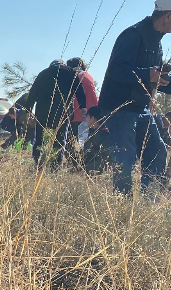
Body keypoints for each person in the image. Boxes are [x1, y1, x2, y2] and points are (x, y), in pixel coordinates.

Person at [98, 1, 171, 195]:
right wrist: (149, 74)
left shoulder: (158, 43)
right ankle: (122, 206)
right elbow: (117, 71)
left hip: (141, 109)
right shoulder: (132, 34)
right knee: (125, 158)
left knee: (158, 151)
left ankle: (149, 201)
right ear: (168, 16)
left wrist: (159, 79)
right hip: (119, 108)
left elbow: (156, 77)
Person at [22, 60, 87, 169]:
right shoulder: (71, 72)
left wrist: (28, 110)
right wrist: (82, 106)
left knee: (39, 139)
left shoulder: (43, 73)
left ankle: (38, 163)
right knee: (60, 139)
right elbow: (79, 90)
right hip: (63, 112)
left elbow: (33, 93)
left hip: (43, 112)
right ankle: (56, 165)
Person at [66, 57, 99, 147]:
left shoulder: (72, 76)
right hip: (91, 115)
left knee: (73, 144)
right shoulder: (88, 76)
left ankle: (75, 160)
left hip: (76, 113)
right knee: (87, 144)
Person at [80, 106, 114, 175]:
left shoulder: (98, 136)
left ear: (92, 118)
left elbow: (88, 155)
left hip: (98, 169)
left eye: (87, 117)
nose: (86, 120)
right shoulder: (107, 133)